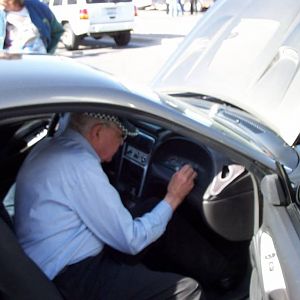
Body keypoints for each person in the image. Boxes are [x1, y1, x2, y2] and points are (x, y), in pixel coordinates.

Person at [14, 112, 234, 299]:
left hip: (51, 261)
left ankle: (224, 275)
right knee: (188, 291)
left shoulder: (49, 148)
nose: (122, 143)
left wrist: (165, 204)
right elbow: (132, 241)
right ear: (98, 132)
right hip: (73, 279)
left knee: (153, 207)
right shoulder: (80, 166)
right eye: (121, 135)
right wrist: (174, 197)